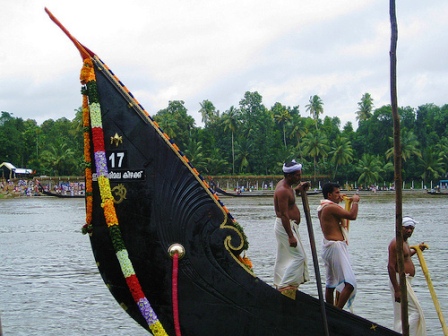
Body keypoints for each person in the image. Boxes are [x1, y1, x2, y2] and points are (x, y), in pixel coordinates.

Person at [317, 182, 360, 310]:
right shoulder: (330, 208)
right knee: (350, 283)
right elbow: (352, 216)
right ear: (329, 194)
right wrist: (356, 202)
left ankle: (329, 310)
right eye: (336, 193)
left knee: (331, 283)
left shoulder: (322, 207)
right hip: (335, 247)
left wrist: (341, 201)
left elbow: (338, 217)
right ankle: (337, 311)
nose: (339, 195)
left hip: (329, 247)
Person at [273, 160, 310, 297]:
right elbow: (283, 214)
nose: (299, 177)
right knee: (299, 257)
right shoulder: (283, 190)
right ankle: (285, 286)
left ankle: (280, 283)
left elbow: (289, 199)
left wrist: (298, 190)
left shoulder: (287, 186)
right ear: (289, 176)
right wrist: (290, 235)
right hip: (285, 227)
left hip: (288, 226)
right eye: (297, 175)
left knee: (283, 257)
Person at [387, 216, 427, 336]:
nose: (409, 231)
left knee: (400, 315)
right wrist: (397, 289)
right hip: (400, 281)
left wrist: (418, 249)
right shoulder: (395, 243)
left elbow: (407, 255)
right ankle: (403, 334)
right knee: (416, 312)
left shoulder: (404, 241)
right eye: (407, 228)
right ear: (400, 228)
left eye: (411, 228)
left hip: (406, 281)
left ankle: (399, 332)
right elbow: (390, 266)